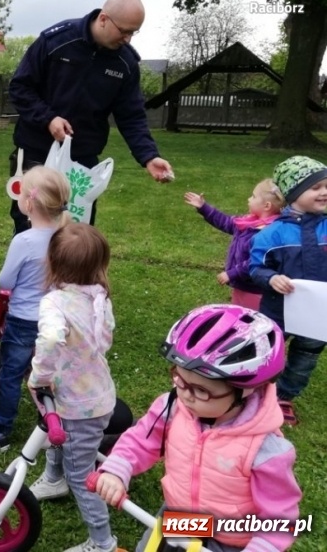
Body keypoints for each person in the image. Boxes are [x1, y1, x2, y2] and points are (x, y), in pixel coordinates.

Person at [92, 304, 301, 552]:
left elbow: (280, 518)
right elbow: (140, 440)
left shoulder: (266, 450)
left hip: (231, 539)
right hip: (181, 519)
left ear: (244, 391)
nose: (185, 395)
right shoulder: (172, 407)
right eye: (180, 380)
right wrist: (117, 470)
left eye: (201, 390)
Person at [8, 0, 173, 233]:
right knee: (30, 228)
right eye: (124, 31)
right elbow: (20, 88)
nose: (128, 39)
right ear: (104, 18)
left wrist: (149, 156)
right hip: (37, 154)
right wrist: (48, 118)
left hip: (82, 161)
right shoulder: (56, 41)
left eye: (133, 32)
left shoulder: (125, 64)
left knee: (74, 238)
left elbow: (132, 116)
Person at [26, 223, 117, 552]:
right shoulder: (99, 296)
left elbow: (50, 338)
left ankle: (102, 541)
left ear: (52, 261)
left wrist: (40, 374)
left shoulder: (54, 303)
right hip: (96, 393)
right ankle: (53, 478)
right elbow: (104, 341)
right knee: (54, 426)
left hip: (80, 405)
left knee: (82, 474)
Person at [0, 166, 71, 451]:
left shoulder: (24, 241)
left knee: (11, 374)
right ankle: (56, 422)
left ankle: (0, 430)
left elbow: (5, 280)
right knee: (51, 372)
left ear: (29, 203)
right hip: (56, 318)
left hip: (22, 320)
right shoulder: (67, 236)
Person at [250, 155, 327, 426]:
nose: (325, 192)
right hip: (278, 311)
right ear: (294, 193)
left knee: (305, 357)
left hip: (318, 315)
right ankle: (257, 391)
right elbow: (256, 268)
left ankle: (284, 396)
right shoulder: (271, 234)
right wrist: (271, 278)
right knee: (269, 350)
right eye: (316, 187)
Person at [184, 178, 284, 310]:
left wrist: (231, 274)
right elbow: (225, 221)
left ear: (266, 206)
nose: (249, 199)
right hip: (242, 285)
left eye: (253, 196)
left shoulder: (267, 233)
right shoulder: (249, 223)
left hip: (255, 290)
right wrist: (204, 207)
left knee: (250, 320)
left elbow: (255, 262)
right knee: (240, 314)